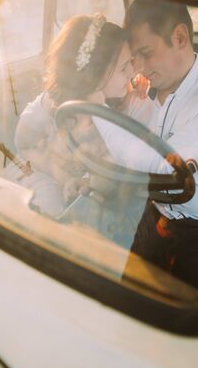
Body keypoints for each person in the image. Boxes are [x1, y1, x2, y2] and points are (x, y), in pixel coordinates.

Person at [94, 0, 198, 296]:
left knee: (188, 328)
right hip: (154, 213)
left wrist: (95, 109)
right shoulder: (146, 90)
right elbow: (129, 149)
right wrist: (126, 108)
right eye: (134, 57)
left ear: (180, 37)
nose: (137, 67)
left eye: (146, 53)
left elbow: (167, 163)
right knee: (128, 302)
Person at [11, 14, 134, 218]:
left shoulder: (120, 108)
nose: (133, 72)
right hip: (38, 175)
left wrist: (87, 181)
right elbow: (24, 143)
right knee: (50, 216)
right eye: (123, 67)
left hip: (83, 190)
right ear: (95, 74)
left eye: (131, 62)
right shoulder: (49, 107)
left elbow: (111, 166)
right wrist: (63, 177)